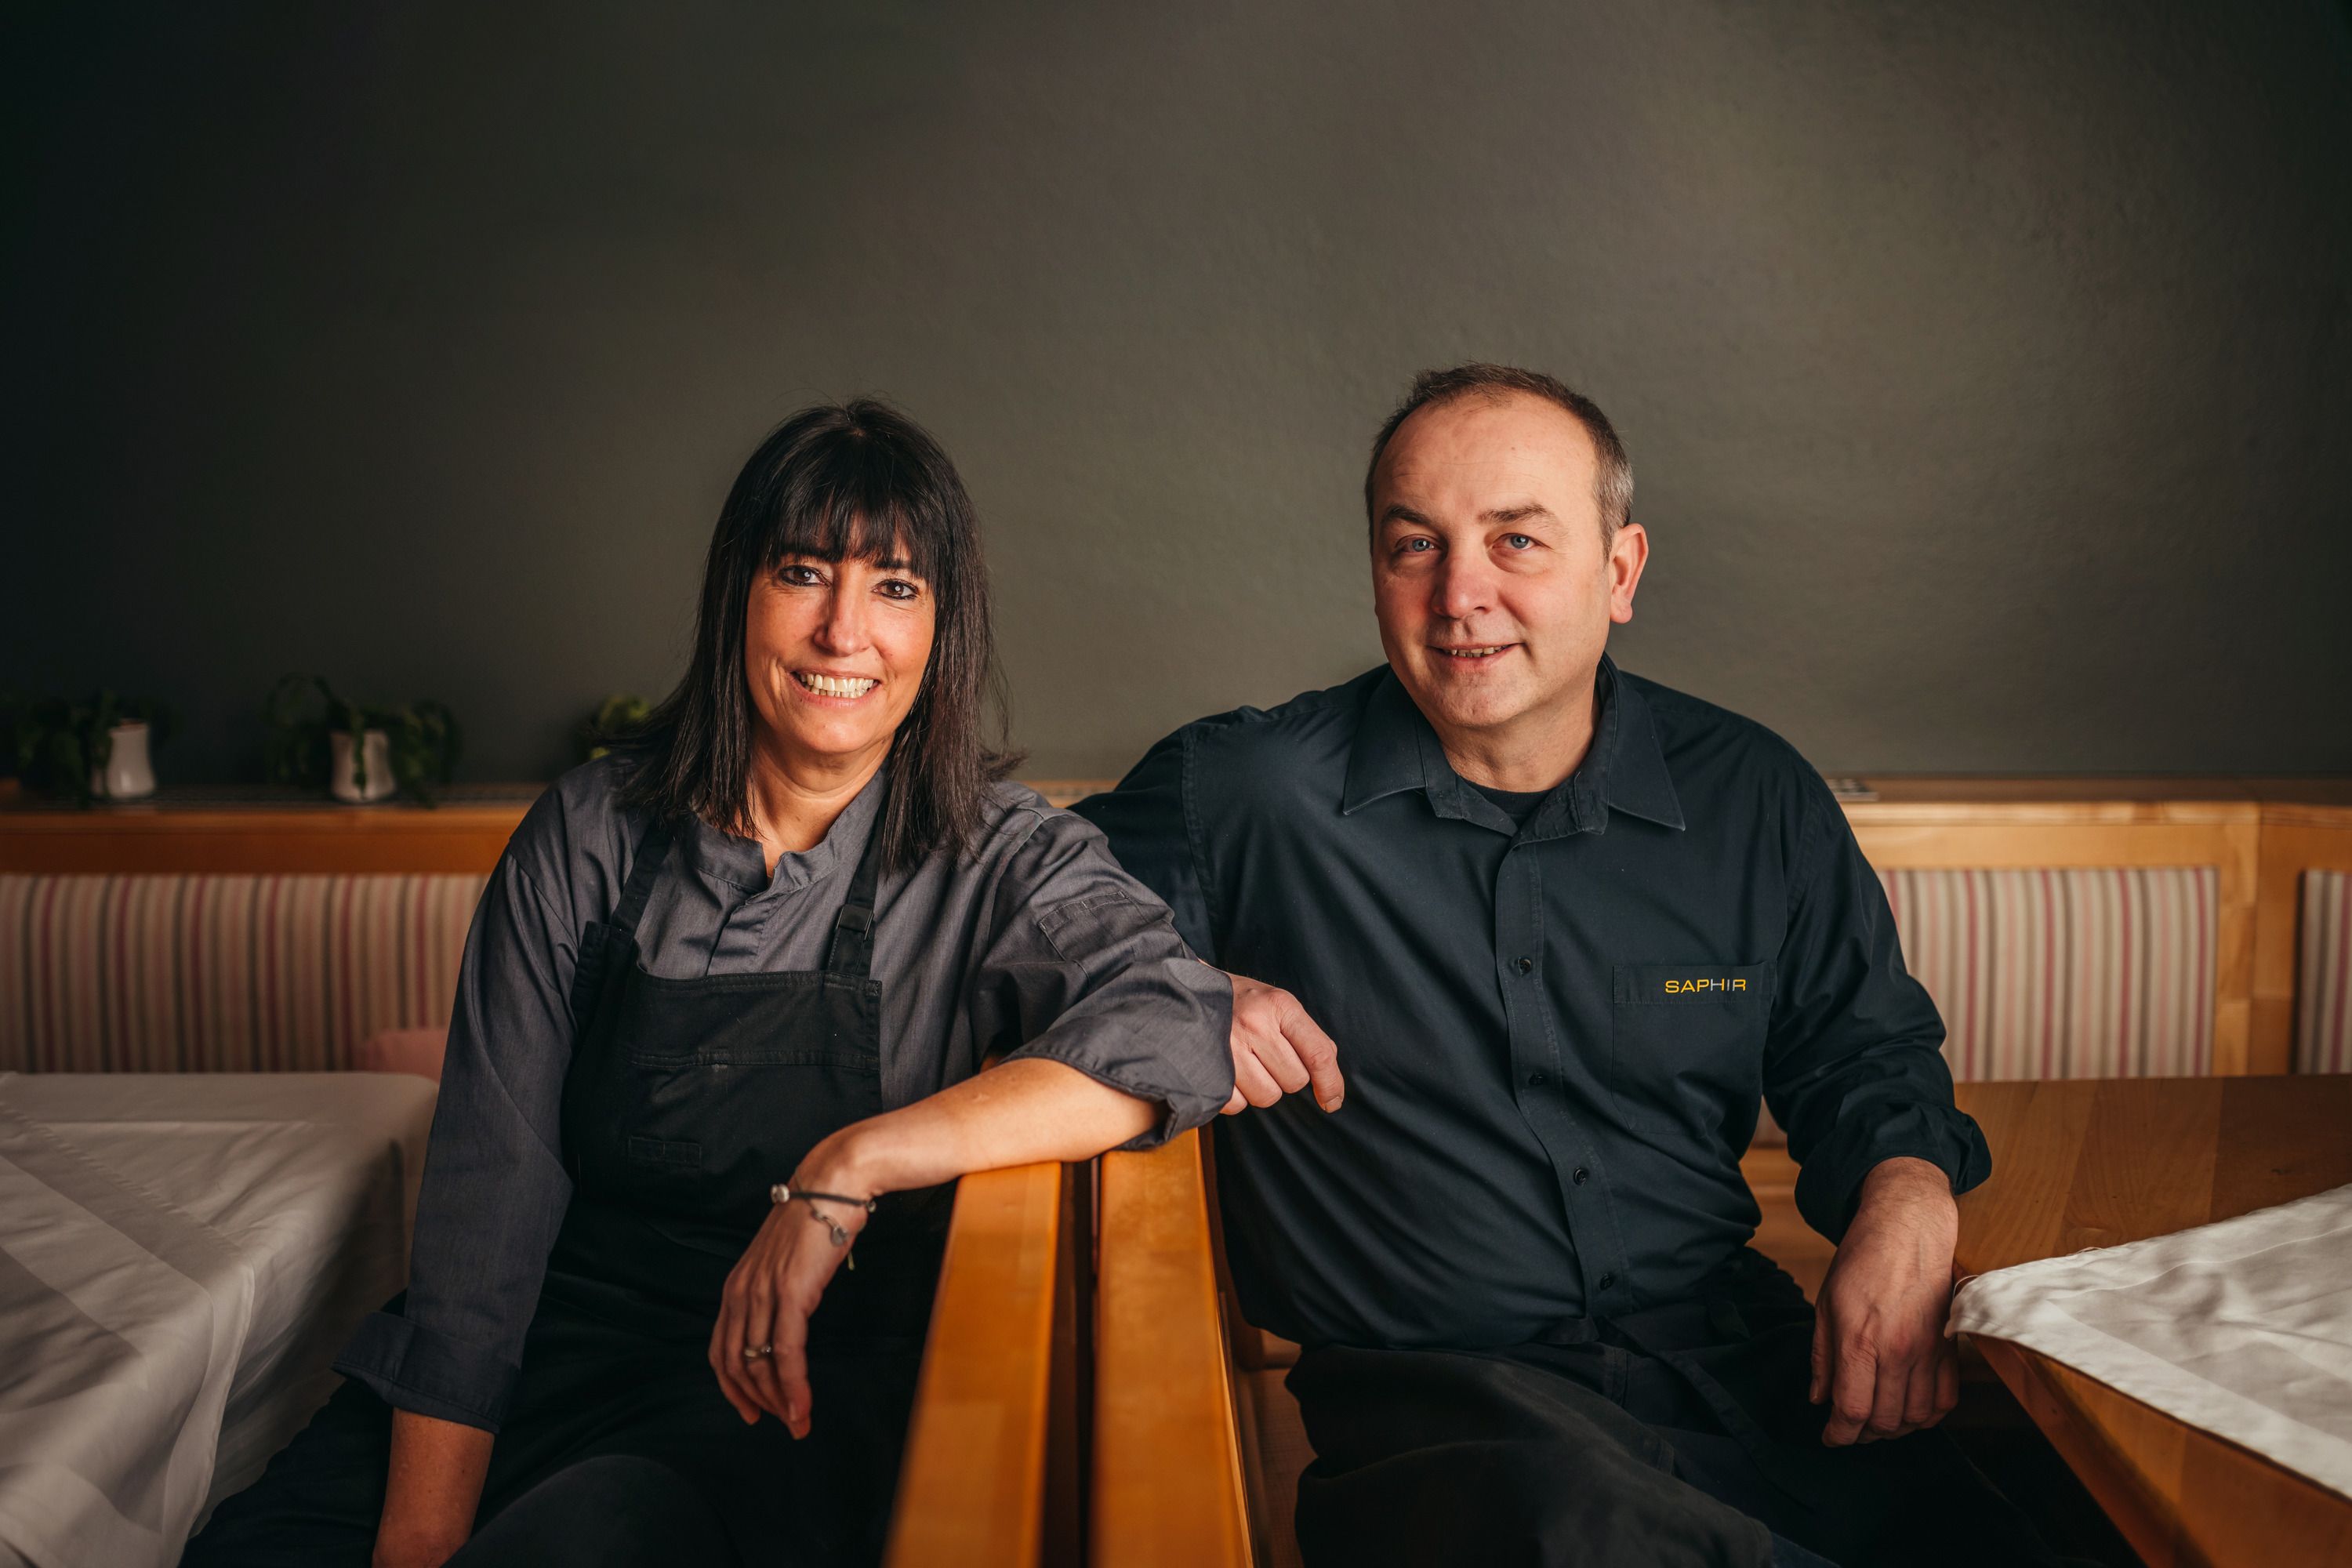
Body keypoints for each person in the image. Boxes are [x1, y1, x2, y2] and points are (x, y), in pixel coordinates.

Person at [187, 401, 1232, 1568]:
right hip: (542, 1356)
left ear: (944, 628)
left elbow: (1177, 1020)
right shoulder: (588, 834)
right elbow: (487, 1219)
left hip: (784, 1395)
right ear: (737, 590)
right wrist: (421, 1538)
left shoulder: (996, 853)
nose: (844, 631)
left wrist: (850, 1166)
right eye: (803, 573)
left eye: (895, 587)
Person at [1076, 364, 2060, 1567]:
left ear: (1621, 572)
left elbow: (1863, 1050)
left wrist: (1907, 1191)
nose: (1460, 595)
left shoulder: (1753, 797)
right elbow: (998, 924)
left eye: (1517, 541)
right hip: (1447, 1420)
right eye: (1415, 546)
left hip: (1750, 1368)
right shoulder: (1246, 793)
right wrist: (1178, 989)